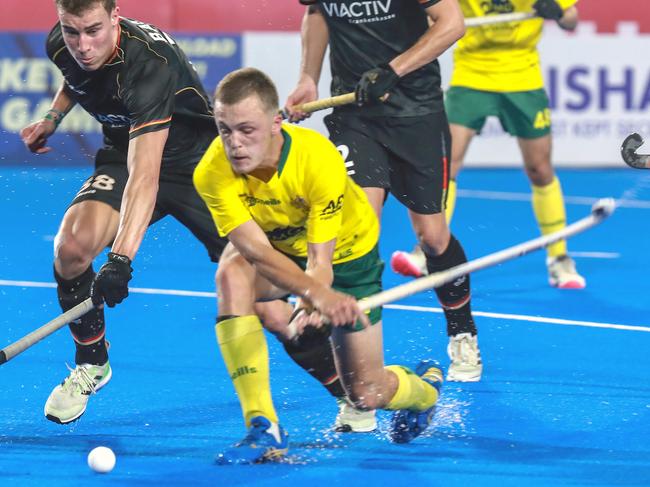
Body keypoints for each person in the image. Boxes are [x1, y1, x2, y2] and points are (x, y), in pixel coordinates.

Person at [20, 0, 371, 433]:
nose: (83, 45)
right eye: (72, 33)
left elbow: (146, 178)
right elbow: (80, 78)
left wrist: (120, 260)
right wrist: (54, 118)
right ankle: (92, 364)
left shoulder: (148, 64)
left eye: (93, 31)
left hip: (195, 168)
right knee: (71, 249)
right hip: (122, 153)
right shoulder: (65, 42)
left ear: (115, 17)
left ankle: (353, 397)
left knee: (272, 309)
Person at [193, 67, 444, 464]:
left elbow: (320, 262)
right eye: (225, 130)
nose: (234, 144)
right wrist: (314, 298)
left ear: (276, 122)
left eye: (247, 130)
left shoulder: (317, 161)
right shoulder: (211, 172)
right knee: (232, 273)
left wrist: (316, 296)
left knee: (366, 393)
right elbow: (256, 253)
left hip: (348, 253)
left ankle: (426, 390)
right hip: (279, 249)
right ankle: (263, 425)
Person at [284, 0, 482, 382]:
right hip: (355, 115)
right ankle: (361, 376)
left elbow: (452, 23)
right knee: (355, 233)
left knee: (432, 237)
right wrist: (308, 76)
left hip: (417, 113)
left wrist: (393, 70)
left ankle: (462, 330)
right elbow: (318, 13)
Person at [391, 0, 585, 290]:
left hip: (523, 78)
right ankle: (427, 251)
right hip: (471, 76)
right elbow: (434, 18)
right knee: (447, 165)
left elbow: (571, 19)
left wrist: (557, 11)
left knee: (540, 168)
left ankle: (559, 258)